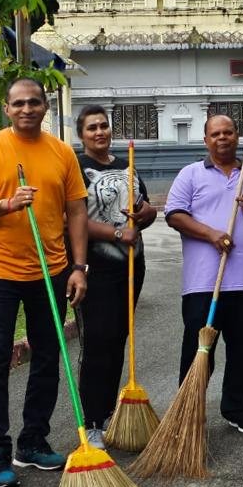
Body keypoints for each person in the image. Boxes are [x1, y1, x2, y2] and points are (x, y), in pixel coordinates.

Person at [0, 77, 90, 487]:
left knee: (49, 355)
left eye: (34, 102)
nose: (27, 109)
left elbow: (76, 212)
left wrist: (79, 267)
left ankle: (32, 441)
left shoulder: (62, 152)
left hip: (49, 270)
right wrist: (7, 204)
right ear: (7, 107)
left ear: (46, 106)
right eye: (19, 104)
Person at [164, 114, 243, 434]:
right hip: (203, 282)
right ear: (206, 140)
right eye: (215, 134)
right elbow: (174, 215)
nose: (223, 138)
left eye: (228, 132)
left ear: (238, 136)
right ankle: (188, 410)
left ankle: (237, 408)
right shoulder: (190, 174)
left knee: (242, 349)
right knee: (199, 349)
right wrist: (211, 234)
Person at [74, 104, 158, 449]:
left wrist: (144, 213)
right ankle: (91, 420)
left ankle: (108, 413)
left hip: (131, 268)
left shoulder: (128, 166)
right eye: (92, 127)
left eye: (104, 126)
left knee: (117, 342)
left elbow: (146, 211)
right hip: (96, 268)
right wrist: (114, 233)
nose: (99, 132)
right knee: (96, 344)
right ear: (81, 135)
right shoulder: (77, 169)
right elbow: (74, 221)